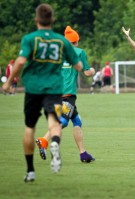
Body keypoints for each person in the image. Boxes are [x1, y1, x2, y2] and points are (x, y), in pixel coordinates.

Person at [1, 4, 82, 182]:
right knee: (55, 123)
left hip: (33, 89)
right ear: (52, 20)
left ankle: (30, 171)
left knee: (30, 128)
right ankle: (54, 143)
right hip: (54, 91)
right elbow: (78, 66)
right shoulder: (61, 41)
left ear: (36, 20)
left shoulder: (30, 39)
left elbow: (21, 61)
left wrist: (8, 82)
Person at [35, 25, 96, 163]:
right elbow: (86, 72)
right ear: (76, 41)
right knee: (62, 122)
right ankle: (43, 140)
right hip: (67, 95)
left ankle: (83, 154)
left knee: (77, 121)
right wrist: (92, 70)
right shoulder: (79, 52)